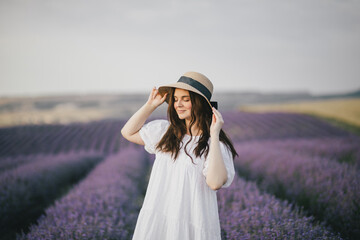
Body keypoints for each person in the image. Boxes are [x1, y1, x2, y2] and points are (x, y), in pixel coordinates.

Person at [121, 71, 238, 240]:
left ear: (199, 103)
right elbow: (127, 132)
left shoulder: (215, 145)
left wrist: (214, 134)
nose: (178, 104)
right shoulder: (165, 133)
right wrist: (150, 105)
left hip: (192, 224)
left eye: (185, 99)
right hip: (159, 218)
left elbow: (215, 183)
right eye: (175, 99)